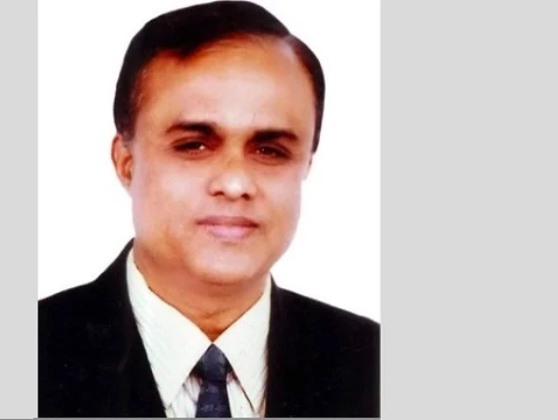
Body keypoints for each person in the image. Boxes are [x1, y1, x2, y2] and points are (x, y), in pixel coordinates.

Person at [38, 1, 379, 417]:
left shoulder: (374, 366)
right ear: (126, 162)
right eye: (194, 145)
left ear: (306, 164)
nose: (235, 184)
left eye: (270, 150)